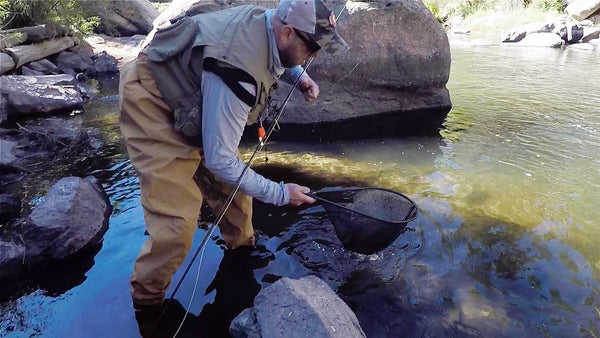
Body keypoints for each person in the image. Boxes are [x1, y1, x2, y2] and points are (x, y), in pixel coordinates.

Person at [118, 0, 348, 334]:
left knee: (237, 197)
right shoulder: (238, 69)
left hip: (196, 98)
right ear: (287, 32)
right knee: (176, 229)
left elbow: (277, 53)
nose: (314, 56)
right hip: (154, 102)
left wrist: (298, 76)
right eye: (312, 48)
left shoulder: (268, 22)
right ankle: (147, 307)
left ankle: (241, 256)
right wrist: (282, 194)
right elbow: (220, 160)